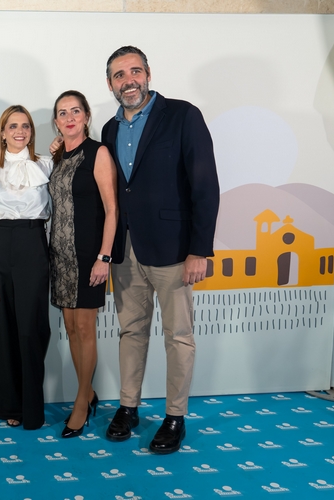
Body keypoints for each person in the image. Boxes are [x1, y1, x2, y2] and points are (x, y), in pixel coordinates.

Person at [101, 46, 219, 454]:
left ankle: (174, 416)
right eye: (119, 75)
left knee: (178, 336)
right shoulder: (110, 129)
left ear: (148, 74)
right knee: (130, 331)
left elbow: (205, 184)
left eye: (135, 71)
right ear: (110, 84)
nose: (128, 80)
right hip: (126, 248)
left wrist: (199, 250)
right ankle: (128, 407)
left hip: (174, 249)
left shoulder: (183, 115)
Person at [49, 90, 118, 439]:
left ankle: (81, 402)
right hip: (60, 256)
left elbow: (112, 209)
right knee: (71, 328)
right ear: (56, 122)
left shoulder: (98, 152)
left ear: (87, 116)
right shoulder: (58, 156)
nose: (69, 117)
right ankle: (87, 392)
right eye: (62, 113)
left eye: (75, 111)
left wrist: (104, 257)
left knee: (86, 329)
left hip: (89, 254)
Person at [0, 105, 52, 430]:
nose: (19, 131)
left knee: (32, 328)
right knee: (7, 328)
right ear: (2, 133)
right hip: (1, 246)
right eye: (12, 126)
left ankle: (32, 408)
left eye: (25, 126)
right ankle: (11, 405)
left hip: (34, 244)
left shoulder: (46, 165)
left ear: (32, 132)